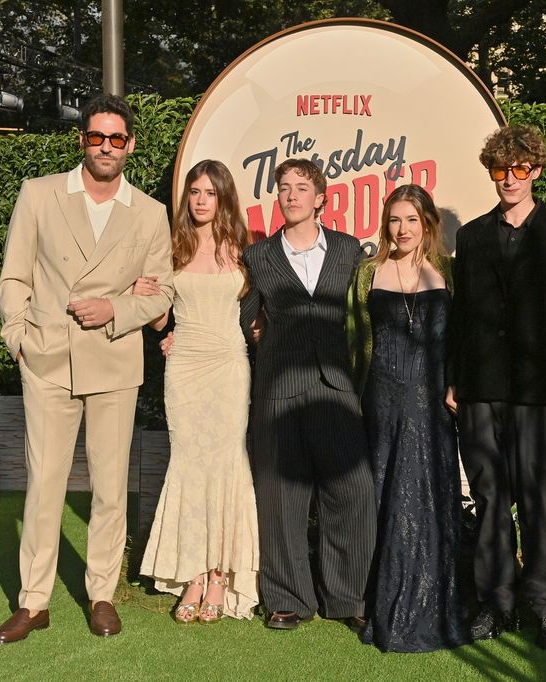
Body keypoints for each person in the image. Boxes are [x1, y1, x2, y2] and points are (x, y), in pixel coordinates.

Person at [0, 93, 174, 643]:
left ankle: (100, 593)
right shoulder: (40, 194)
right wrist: (18, 338)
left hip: (115, 361)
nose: (105, 147)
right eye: (96, 137)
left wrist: (117, 307)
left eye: (116, 139)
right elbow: (14, 276)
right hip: (47, 359)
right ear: (82, 141)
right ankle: (33, 601)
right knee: (43, 485)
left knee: (111, 488)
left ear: (130, 146)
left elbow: (163, 292)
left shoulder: (150, 212)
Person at [446, 124, 546, 651]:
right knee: (489, 500)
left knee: (542, 506)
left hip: (539, 392)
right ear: (492, 172)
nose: (510, 178)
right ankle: (495, 602)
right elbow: (461, 317)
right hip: (481, 389)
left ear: (538, 170)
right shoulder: (471, 236)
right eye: (501, 169)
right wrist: (455, 378)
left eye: (521, 168)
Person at [240, 157, 376, 632]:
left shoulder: (349, 250)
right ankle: (287, 598)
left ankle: (349, 597)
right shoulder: (258, 257)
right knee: (280, 497)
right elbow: (246, 317)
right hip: (278, 390)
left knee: (353, 493)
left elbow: (364, 317)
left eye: (302, 187)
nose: (291, 194)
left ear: (321, 198)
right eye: (284, 187)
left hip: (337, 389)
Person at [347, 184, 472, 653]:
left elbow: (462, 338)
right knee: (384, 493)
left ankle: (435, 604)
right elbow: (353, 339)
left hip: (435, 403)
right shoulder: (366, 273)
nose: (401, 230)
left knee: (429, 494)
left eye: (411, 220)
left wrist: (458, 383)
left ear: (427, 225)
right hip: (382, 399)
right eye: (394, 220)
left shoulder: (447, 273)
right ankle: (380, 602)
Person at [137, 160, 259, 624]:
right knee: (189, 464)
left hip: (229, 366)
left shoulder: (243, 250)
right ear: (186, 198)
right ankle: (192, 574)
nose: (201, 199)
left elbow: (256, 309)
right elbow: (159, 320)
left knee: (227, 465)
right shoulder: (172, 248)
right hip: (185, 367)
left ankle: (220, 575)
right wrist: (146, 299)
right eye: (194, 191)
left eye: (210, 191)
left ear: (223, 197)